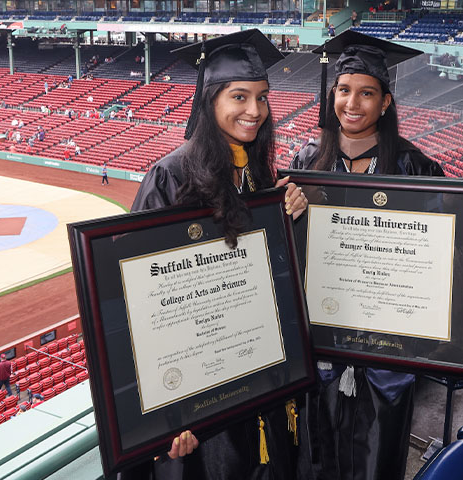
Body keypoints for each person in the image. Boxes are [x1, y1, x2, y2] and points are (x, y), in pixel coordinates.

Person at [291, 31, 463, 480]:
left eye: (366, 93)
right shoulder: (306, 161)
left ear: (385, 103)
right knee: (316, 459)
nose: (353, 103)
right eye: (344, 90)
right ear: (332, 95)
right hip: (322, 349)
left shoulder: (415, 167)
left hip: (388, 357)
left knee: (377, 461)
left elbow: (455, 247)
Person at [124, 29, 308, 480]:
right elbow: (138, 298)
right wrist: (164, 410)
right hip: (196, 389)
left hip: (250, 370)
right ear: (209, 101)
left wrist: (291, 216)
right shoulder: (171, 176)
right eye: (240, 97)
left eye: (263, 98)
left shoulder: (258, 173)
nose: (254, 111)